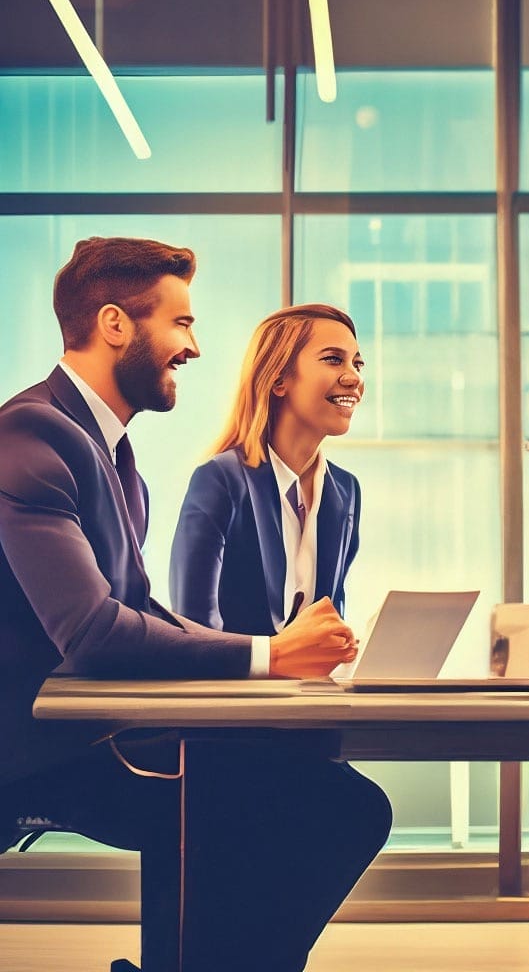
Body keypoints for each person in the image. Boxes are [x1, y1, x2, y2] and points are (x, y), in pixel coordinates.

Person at [0, 237, 391, 972]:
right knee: (333, 807)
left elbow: (142, 608)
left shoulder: (114, 456)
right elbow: (93, 630)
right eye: (180, 323)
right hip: (42, 750)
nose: (195, 347)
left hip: (100, 734)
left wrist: (285, 655)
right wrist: (270, 654)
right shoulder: (33, 431)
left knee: (328, 800)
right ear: (115, 324)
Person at [170, 303, 364, 636]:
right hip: (233, 672)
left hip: (314, 674)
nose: (354, 377)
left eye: (357, 363)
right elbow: (195, 628)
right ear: (278, 379)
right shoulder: (220, 480)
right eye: (333, 359)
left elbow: (330, 616)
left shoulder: (346, 490)